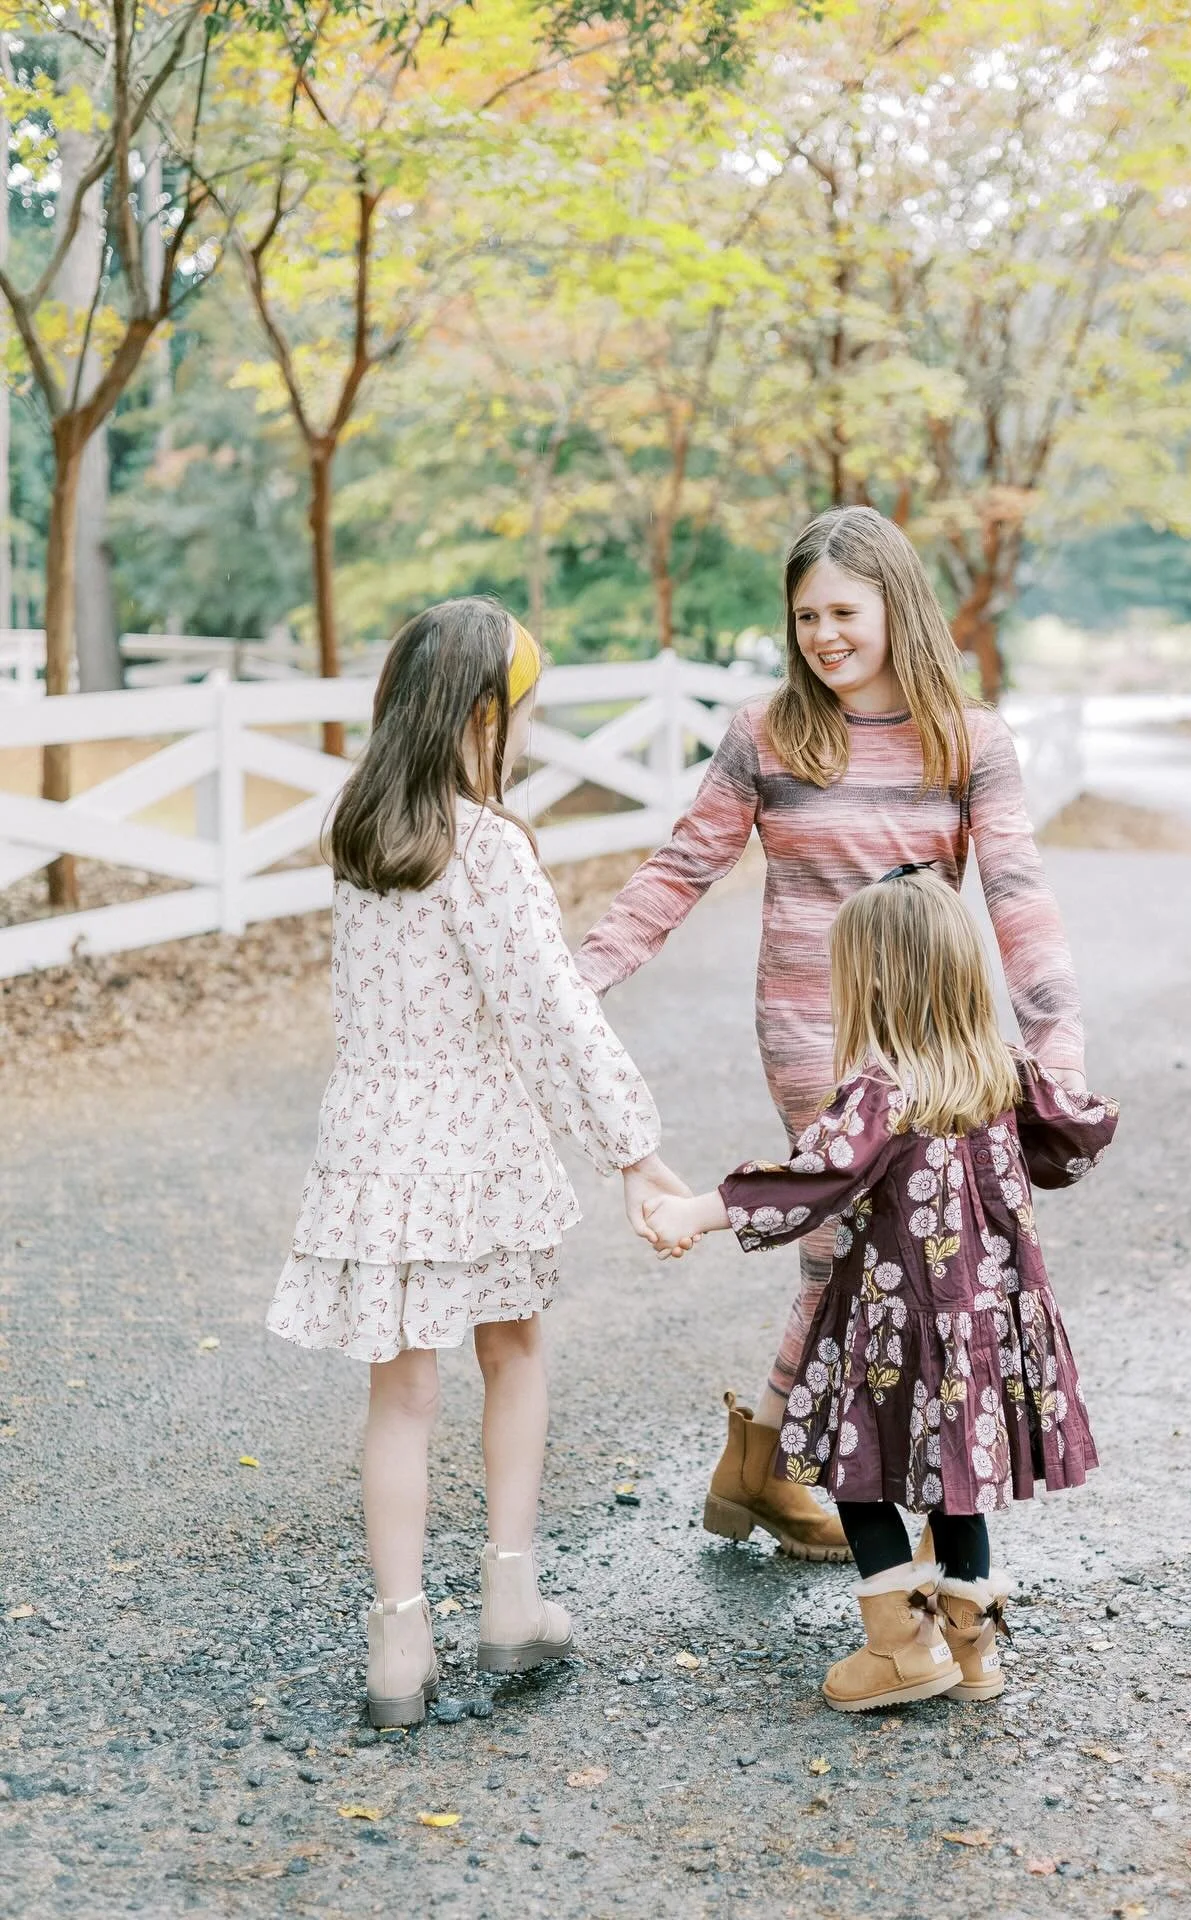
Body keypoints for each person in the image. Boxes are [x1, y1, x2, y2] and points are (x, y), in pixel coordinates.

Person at [577, 505, 1089, 1565]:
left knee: (869, 1264)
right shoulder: (769, 733)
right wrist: (579, 982)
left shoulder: (970, 740)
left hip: (938, 1042)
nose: (823, 635)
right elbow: (682, 867)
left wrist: (1058, 1048)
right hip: (815, 1032)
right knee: (847, 1256)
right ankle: (851, 1523)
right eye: (805, 614)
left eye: (844, 610)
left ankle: (767, 1464)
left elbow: (1019, 898)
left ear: (896, 604)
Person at [266, 597, 684, 1728]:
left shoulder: (361, 833)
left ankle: (400, 1644)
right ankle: (510, 1596)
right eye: (522, 712)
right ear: (481, 713)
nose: (526, 733)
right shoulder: (485, 846)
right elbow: (548, 1010)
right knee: (515, 1352)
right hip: (477, 1141)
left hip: (371, 1138)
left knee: (398, 1395)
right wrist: (632, 1154)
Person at [643, 869, 1118, 1712]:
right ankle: (974, 1657)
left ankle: (901, 1650)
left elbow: (808, 1181)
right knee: (958, 1482)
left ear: (875, 982)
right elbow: (1075, 1132)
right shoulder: (1002, 1075)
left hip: (895, 1330)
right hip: (983, 1330)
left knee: (857, 1475)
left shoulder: (879, 1093)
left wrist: (692, 1210)